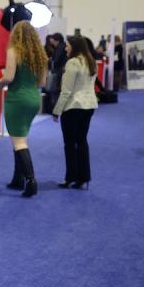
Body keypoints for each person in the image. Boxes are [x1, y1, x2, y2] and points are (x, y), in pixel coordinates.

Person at [0, 21, 49, 197]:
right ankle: (17, 179)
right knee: (19, 139)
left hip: (17, 99)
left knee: (19, 142)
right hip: (33, 100)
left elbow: (9, 77)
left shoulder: (13, 52)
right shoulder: (40, 55)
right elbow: (42, 82)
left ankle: (31, 181)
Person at [52, 35, 98, 188]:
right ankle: (84, 177)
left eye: (67, 45)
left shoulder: (72, 63)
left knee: (70, 144)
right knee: (82, 141)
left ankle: (70, 177)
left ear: (74, 46)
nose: (65, 48)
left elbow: (66, 91)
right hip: (89, 106)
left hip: (73, 107)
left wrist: (56, 111)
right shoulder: (91, 61)